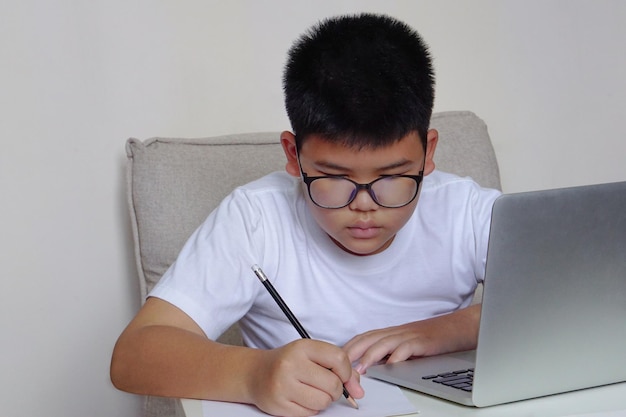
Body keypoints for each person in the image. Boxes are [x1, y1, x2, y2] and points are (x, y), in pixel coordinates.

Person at [111, 12, 501, 417]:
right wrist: (254, 374)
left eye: (393, 177)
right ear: (294, 156)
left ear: (429, 153)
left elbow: (568, 304)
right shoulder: (256, 218)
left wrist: (444, 331)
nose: (364, 203)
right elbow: (133, 356)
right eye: (334, 177)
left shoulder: (465, 209)